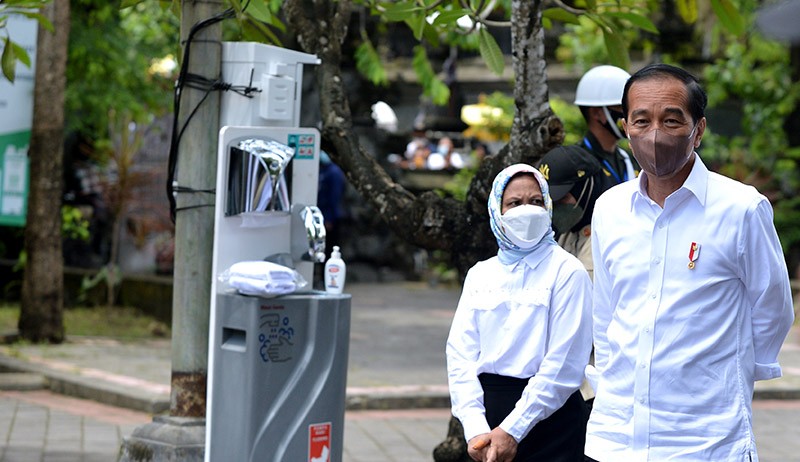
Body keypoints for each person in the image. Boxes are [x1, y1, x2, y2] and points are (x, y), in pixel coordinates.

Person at [585, 63, 795, 461]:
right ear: (625, 126)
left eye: (672, 120)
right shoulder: (610, 208)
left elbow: (773, 309)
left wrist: (722, 376)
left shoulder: (741, 209)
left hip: (705, 441)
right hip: (616, 439)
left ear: (698, 130)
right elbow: (607, 314)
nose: (655, 134)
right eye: (641, 120)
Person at [446, 163, 592, 462]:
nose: (527, 211)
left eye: (536, 202)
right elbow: (460, 355)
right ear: (497, 211)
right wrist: (475, 429)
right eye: (514, 203)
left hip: (550, 419)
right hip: (487, 417)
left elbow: (563, 364)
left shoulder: (567, 272)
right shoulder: (481, 274)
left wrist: (512, 430)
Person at [537, 65, 637, 279]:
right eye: (622, 108)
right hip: (584, 262)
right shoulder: (574, 164)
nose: (630, 115)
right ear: (597, 112)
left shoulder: (627, 159)